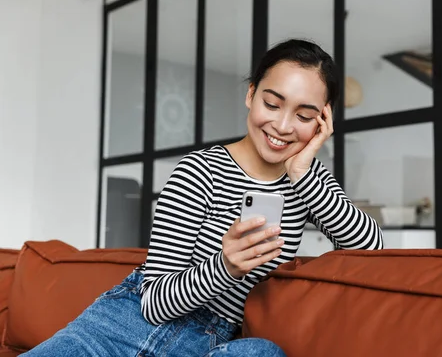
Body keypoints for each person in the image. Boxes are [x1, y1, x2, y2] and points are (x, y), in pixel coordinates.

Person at [22, 39, 384, 357]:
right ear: (251, 94)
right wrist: (225, 266)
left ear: (322, 121)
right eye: (272, 105)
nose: (283, 126)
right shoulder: (200, 170)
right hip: (123, 326)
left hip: (211, 342)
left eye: (304, 115)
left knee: (263, 353)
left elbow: (372, 252)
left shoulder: (308, 182)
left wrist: (304, 173)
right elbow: (156, 303)